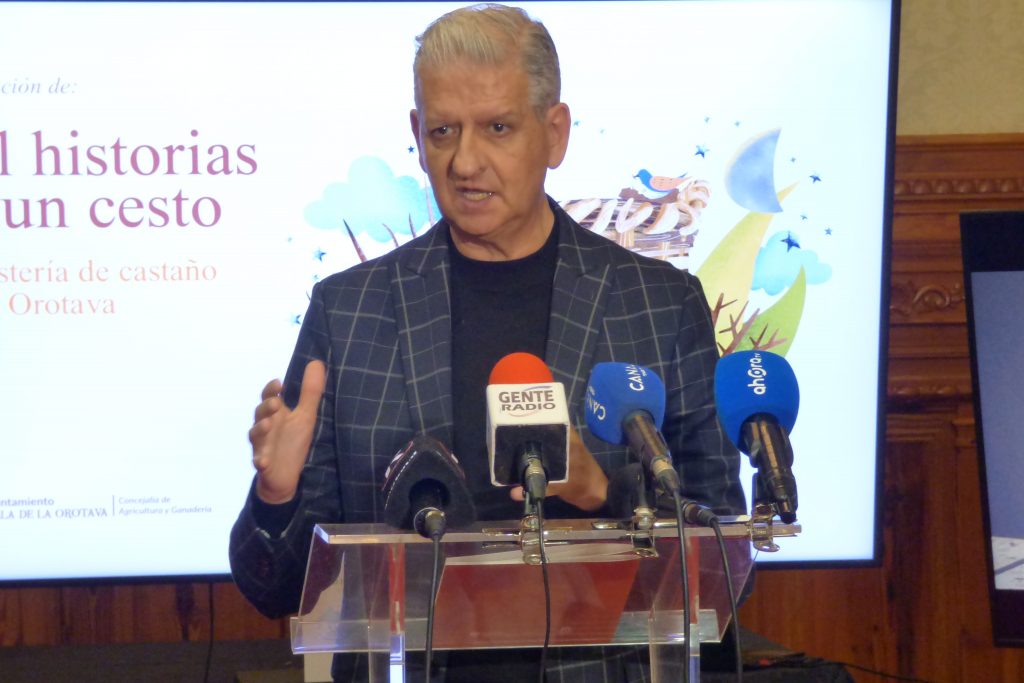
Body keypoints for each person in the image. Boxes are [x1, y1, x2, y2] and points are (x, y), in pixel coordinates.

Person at [230, 4, 746, 680]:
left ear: (554, 134)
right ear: (416, 134)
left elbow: (723, 558)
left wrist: (604, 493)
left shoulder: (658, 304)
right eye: (443, 131)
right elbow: (274, 586)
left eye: (497, 128)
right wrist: (276, 495)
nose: (465, 161)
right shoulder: (348, 311)